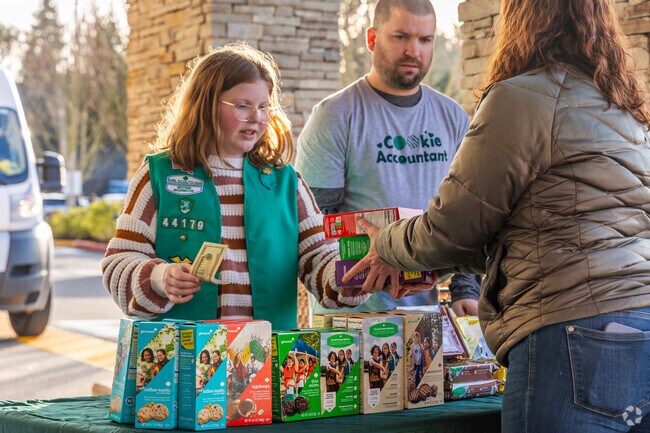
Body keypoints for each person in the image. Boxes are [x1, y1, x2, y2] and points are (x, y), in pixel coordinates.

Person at [345, 0, 650, 431]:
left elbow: (453, 227)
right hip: (640, 326)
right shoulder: (622, 104)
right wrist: (441, 264)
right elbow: (545, 230)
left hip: (568, 329)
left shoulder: (522, 97)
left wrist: (385, 244)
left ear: (523, 19)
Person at [102, 41, 423, 329]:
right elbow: (118, 263)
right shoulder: (158, 175)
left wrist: (364, 272)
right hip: (181, 372)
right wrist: (159, 279)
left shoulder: (288, 185)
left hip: (268, 368)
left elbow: (321, 265)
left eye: (264, 106)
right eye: (242, 106)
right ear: (205, 105)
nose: (257, 117)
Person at [295, 0, 480, 317]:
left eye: (425, 40)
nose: (414, 51)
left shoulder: (452, 117)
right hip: (350, 318)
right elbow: (313, 224)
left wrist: (466, 289)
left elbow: (468, 212)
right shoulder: (335, 115)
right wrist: (378, 255)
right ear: (371, 39)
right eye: (400, 37)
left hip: (429, 314)